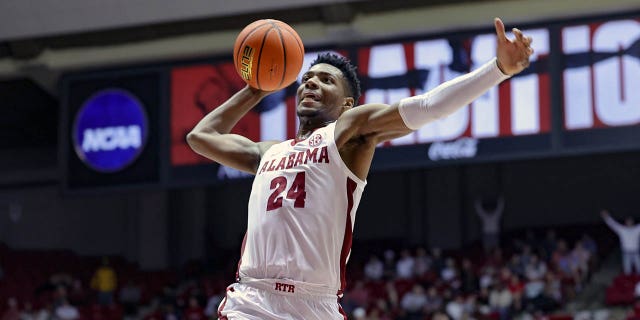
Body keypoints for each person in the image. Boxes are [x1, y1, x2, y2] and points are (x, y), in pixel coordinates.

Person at [187, 17, 533, 319]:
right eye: (307, 78)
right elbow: (201, 136)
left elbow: (427, 107)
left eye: (325, 80)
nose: (310, 83)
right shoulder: (268, 153)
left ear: (347, 103)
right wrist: (256, 88)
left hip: (315, 303)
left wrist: (497, 70)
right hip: (253, 301)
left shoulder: (348, 132)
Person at [601, 210, 640, 274]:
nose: (629, 222)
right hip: (626, 253)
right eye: (628, 221)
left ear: (632, 222)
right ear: (625, 222)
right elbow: (613, 224)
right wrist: (606, 217)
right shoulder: (622, 229)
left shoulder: (636, 229)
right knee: (627, 272)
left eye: (630, 221)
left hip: (636, 252)